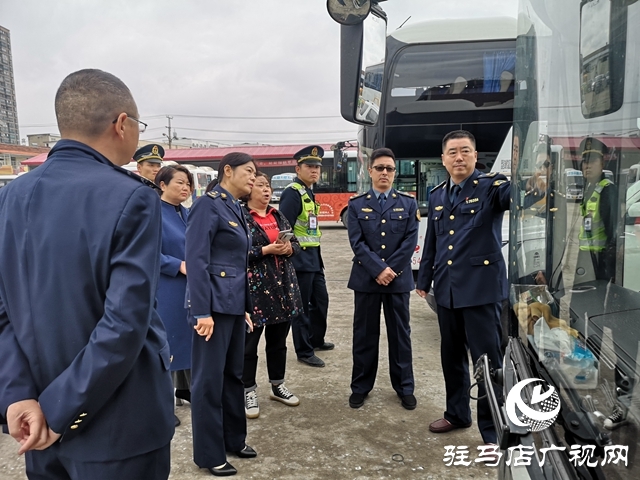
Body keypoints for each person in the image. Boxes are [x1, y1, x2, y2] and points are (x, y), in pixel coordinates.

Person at [0, 69, 174, 479]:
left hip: (36, 423)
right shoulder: (131, 196)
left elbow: (3, 310)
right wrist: (60, 410)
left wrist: (19, 395)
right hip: (119, 427)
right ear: (121, 124)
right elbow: (124, 324)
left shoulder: (9, 198)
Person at [415, 130, 510, 445]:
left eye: (465, 151)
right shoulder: (438, 193)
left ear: (474, 155)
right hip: (447, 289)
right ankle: (457, 413)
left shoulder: (491, 188)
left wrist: (530, 182)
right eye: (452, 152)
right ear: (443, 159)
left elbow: (513, 197)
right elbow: (433, 240)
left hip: (481, 291)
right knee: (451, 356)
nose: (458, 157)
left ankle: (493, 430)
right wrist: (423, 279)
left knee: (488, 364)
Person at [185, 152, 257, 477]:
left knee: (232, 377)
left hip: (232, 309)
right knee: (208, 383)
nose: (253, 178)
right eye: (249, 172)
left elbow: (237, 266)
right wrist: (201, 311)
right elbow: (197, 260)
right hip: (211, 311)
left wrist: (243, 309)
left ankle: (234, 439)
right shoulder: (208, 204)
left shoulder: (235, 208)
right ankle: (210, 454)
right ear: (227, 170)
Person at [346, 147, 420, 410]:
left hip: (397, 280)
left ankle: (405, 387)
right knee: (365, 336)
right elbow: (357, 242)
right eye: (380, 168)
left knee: (400, 336)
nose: (385, 172)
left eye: (389, 168)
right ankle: (361, 386)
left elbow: (410, 241)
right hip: (366, 280)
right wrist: (378, 269)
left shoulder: (408, 204)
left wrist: (391, 270)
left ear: (395, 172)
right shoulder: (356, 205)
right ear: (370, 171)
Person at [241, 172, 304, 419]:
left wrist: (289, 248)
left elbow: (296, 244)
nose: (266, 190)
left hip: (282, 289)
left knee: (278, 343)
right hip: (255, 291)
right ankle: (248, 390)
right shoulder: (242, 216)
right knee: (249, 345)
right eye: (260, 186)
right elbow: (236, 252)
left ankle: (278, 385)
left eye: (267, 186)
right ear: (249, 190)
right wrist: (266, 249)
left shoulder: (278, 215)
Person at [279, 145, 334, 368]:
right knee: (300, 309)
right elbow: (285, 226)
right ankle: (304, 350)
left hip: (314, 259)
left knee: (321, 302)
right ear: (298, 168)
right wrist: (292, 253)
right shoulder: (292, 192)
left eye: (317, 167)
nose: (314, 171)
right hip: (300, 261)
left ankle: (316, 340)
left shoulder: (308, 191)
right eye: (309, 166)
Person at [155, 165, 195, 427]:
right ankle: (161, 405)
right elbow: (144, 251)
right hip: (166, 286)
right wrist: (176, 265)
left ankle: (186, 390)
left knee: (189, 339)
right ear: (162, 185)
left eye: (188, 184)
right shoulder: (151, 213)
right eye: (179, 182)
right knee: (166, 343)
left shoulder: (188, 213)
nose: (185, 188)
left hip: (190, 287)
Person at [578, 137, 618, 281]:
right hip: (586, 257)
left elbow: (612, 232)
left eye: (592, 161)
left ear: (602, 164)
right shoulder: (589, 189)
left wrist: (609, 266)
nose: (587, 166)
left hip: (601, 261)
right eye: (585, 161)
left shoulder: (607, 190)